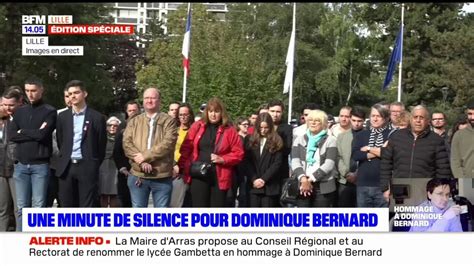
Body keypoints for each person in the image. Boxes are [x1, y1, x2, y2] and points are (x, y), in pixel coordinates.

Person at [9, 77, 57, 231]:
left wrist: (22, 131)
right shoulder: (19, 112)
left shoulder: (49, 111)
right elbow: (12, 135)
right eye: (27, 90)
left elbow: (43, 135)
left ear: (41, 90)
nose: (30, 94)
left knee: (38, 207)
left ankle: (36, 240)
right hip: (21, 165)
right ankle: (21, 241)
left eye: (34, 90)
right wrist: (34, 132)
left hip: (40, 165)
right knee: (21, 206)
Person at [178, 97, 244, 207]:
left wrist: (223, 159)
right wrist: (182, 166)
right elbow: (186, 148)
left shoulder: (229, 130)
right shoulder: (197, 126)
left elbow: (238, 153)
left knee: (216, 211)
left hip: (219, 175)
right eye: (211, 111)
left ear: (221, 113)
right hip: (199, 173)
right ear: (206, 112)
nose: (213, 114)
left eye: (217, 111)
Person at [123, 88, 177, 208]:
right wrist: (142, 162)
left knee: (161, 219)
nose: (149, 100)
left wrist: (145, 156)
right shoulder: (134, 121)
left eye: (153, 98)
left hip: (161, 176)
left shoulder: (169, 121)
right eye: (147, 98)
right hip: (138, 175)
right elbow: (127, 143)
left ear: (159, 101)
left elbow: (168, 143)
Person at [56, 80, 107, 207]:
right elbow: (60, 141)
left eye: (76, 92)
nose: (73, 96)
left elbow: (101, 145)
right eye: (70, 94)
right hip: (67, 167)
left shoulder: (96, 117)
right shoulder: (62, 117)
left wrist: (93, 163)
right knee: (67, 205)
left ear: (85, 94)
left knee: (87, 206)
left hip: (87, 166)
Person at [381, 105, 452, 196]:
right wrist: (385, 188)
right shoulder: (396, 137)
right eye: (415, 117)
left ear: (427, 121)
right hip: (399, 189)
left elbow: (443, 169)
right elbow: (386, 164)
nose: (418, 120)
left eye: (421, 117)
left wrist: (439, 191)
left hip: (424, 190)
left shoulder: (436, 140)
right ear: (411, 119)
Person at [291, 110, 338, 207]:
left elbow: (329, 164)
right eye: (310, 120)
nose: (313, 122)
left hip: (322, 186)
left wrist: (311, 179)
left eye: (317, 120)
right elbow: (295, 161)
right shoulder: (299, 139)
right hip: (302, 183)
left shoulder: (331, 140)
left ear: (324, 123)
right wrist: (303, 179)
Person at [352, 104, 391, 207]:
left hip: (382, 185)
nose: (375, 118)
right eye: (373, 115)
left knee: (381, 220)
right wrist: (379, 151)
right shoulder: (361, 135)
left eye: (379, 116)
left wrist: (369, 149)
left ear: (386, 118)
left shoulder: (391, 135)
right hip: (363, 184)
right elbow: (356, 155)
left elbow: (389, 154)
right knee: (364, 221)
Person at [245, 113, 283, 207]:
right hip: (253, 185)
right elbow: (246, 161)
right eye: (261, 127)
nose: (263, 130)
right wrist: (254, 179)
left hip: (269, 186)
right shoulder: (249, 139)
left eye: (266, 127)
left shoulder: (277, 140)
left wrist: (263, 179)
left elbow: (277, 163)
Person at [0, 88, 22, 231]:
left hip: (17, 169)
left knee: (18, 209)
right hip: (0, 170)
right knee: (2, 209)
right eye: (4, 104)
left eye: (10, 105)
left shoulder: (22, 119)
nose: (7, 108)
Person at [112, 101, 141, 207]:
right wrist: (122, 167)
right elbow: (117, 150)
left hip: (140, 172)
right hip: (125, 171)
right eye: (130, 110)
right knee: (124, 201)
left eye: (134, 110)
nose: (132, 113)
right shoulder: (122, 127)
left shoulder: (145, 127)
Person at [336, 107, 365, 207]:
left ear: (364, 121)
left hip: (362, 181)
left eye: (359, 121)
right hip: (344, 181)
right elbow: (338, 157)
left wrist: (357, 174)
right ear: (350, 119)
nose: (356, 123)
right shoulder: (341, 137)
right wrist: (346, 174)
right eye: (354, 120)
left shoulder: (370, 136)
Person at [48, 87, 72, 208]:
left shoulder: (88, 116)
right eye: (67, 96)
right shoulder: (56, 115)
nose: (70, 99)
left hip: (73, 166)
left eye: (72, 95)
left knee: (68, 202)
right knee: (49, 198)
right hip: (54, 165)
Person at [267, 100, 292, 206]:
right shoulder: (262, 127)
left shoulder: (287, 128)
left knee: (279, 203)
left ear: (282, 113)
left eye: (278, 111)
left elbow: (287, 149)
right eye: (272, 111)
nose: (275, 114)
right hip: (264, 170)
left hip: (280, 171)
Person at [170, 102, 194, 208]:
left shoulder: (194, 130)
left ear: (190, 115)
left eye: (186, 114)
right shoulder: (173, 130)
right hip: (172, 169)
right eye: (180, 114)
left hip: (186, 170)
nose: (183, 117)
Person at [227, 117, 250, 207]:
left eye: (248, 125)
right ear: (238, 125)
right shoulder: (235, 137)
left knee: (244, 196)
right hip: (235, 169)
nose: (246, 127)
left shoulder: (250, 138)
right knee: (231, 196)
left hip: (246, 170)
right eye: (244, 125)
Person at [99, 116, 121, 207]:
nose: (112, 127)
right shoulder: (101, 137)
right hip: (102, 166)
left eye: (115, 126)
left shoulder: (121, 138)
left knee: (114, 194)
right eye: (110, 125)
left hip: (116, 167)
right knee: (103, 193)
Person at [450, 101, 474, 178]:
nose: (472, 117)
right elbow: (455, 162)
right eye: (470, 114)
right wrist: (462, 179)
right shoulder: (459, 135)